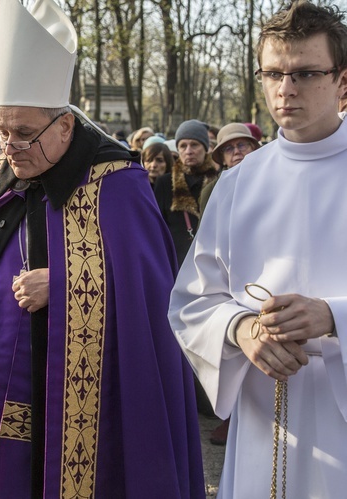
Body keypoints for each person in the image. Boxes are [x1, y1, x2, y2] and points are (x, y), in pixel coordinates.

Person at [0, 0, 204, 497]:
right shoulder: (3, 174)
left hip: (74, 398)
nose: (10, 146)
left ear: (65, 126)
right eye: (1, 131)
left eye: (24, 133)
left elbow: (153, 294)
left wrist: (70, 285)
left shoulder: (117, 184)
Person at [169, 2, 347, 497]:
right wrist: (240, 328)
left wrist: (333, 316)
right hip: (262, 418)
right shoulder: (237, 184)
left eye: (306, 73)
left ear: (343, 81)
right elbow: (190, 304)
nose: (286, 90)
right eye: (273, 73)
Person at [153, 119, 218, 267]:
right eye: (183, 146)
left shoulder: (218, 181)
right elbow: (157, 228)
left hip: (212, 261)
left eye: (194, 144)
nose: (188, 151)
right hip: (176, 262)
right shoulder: (165, 183)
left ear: (206, 147)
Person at [198, 123, 260, 215]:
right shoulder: (212, 191)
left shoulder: (268, 178)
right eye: (228, 148)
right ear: (223, 159)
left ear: (253, 149)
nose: (236, 152)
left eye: (241, 145)